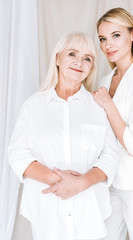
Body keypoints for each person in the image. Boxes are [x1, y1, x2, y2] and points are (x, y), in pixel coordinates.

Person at [8, 32, 119, 240]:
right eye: (72, 54)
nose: (80, 62)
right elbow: (16, 154)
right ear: (57, 59)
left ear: (91, 68)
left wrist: (82, 183)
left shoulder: (98, 107)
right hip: (47, 213)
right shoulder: (33, 106)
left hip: (89, 213)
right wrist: (57, 180)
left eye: (87, 58)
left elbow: (111, 157)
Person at [92, 7, 133, 240]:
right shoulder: (105, 80)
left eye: (115, 35)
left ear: (132, 35)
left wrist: (108, 105)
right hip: (111, 180)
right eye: (102, 38)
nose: (107, 44)